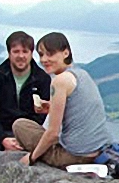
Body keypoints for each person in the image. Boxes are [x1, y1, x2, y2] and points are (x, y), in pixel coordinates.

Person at [13, 32, 112, 169]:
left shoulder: (59, 81)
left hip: (75, 157)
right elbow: (78, 109)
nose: (44, 59)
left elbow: (53, 134)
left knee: (20, 125)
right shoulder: (82, 74)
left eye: (50, 54)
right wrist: (51, 107)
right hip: (99, 151)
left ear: (66, 53)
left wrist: (31, 157)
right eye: (41, 54)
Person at [0, 31, 51, 151]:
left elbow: (40, 114)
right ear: (9, 53)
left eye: (25, 51)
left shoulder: (42, 79)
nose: (21, 56)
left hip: (27, 131)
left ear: (31, 53)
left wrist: (23, 135)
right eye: (16, 51)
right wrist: (3, 138)